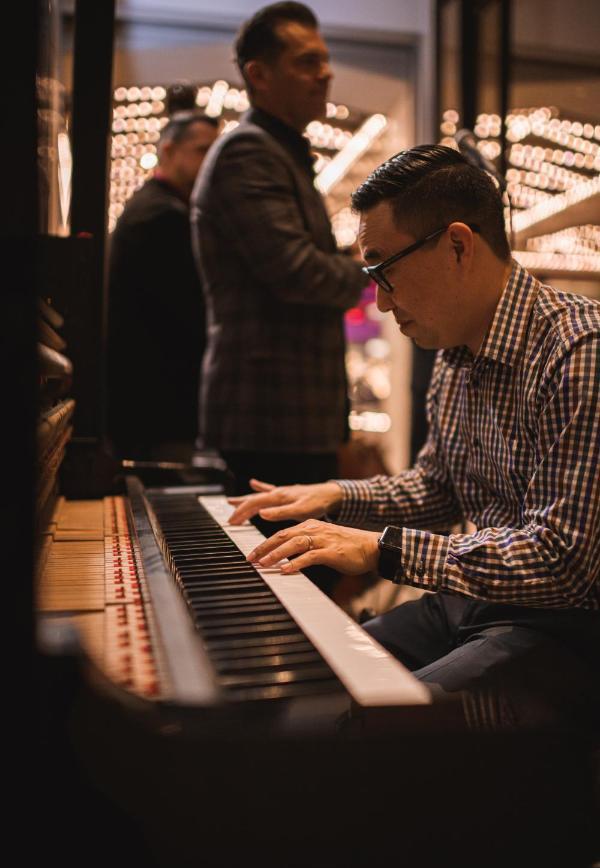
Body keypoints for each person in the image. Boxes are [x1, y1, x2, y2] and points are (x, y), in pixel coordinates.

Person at [227, 144, 600, 732]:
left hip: (571, 625)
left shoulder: (577, 352)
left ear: (457, 245)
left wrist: (383, 550)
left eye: (383, 270)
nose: (378, 300)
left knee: (370, 725)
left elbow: (565, 561)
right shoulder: (454, 351)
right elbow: (439, 488)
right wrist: (334, 496)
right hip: (485, 603)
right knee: (318, 674)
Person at [190, 2, 366, 498]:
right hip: (266, 419)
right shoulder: (249, 151)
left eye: (325, 60)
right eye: (307, 62)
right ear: (259, 75)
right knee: (281, 570)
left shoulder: (278, 151)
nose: (325, 73)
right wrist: (365, 268)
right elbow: (300, 273)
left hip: (288, 417)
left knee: (304, 567)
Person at [107, 111, 219, 462]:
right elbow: (190, 317)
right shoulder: (161, 216)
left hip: (148, 405)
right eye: (203, 150)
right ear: (168, 151)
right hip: (156, 408)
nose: (212, 163)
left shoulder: (158, 207)